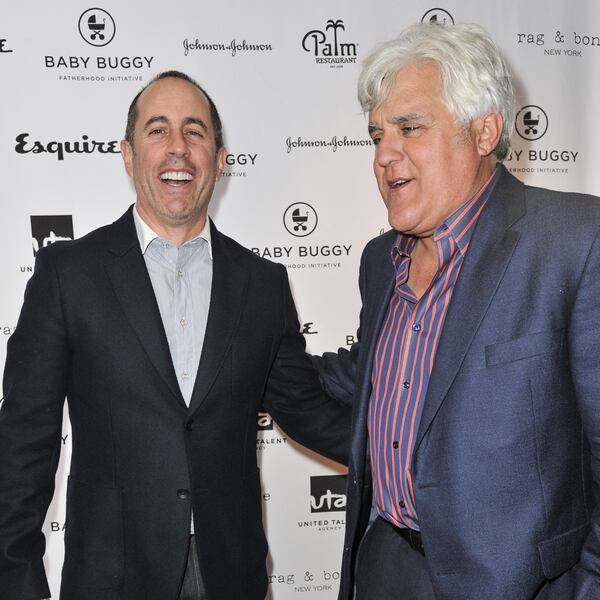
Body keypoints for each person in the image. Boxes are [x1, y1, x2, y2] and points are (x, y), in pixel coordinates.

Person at [0, 71, 350, 600]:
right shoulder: (68, 275)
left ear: (221, 156)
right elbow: (24, 447)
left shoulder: (262, 283)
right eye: (157, 131)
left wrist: (415, 455)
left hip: (230, 574)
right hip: (111, 578)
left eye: (195, 131)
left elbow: (309, 412)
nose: (178, 149)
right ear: (127, 153)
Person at [315, 22, 600, 599]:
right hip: (385, 568)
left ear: (485, 130)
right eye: (376, 135)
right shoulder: (379, 261)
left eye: (410, 128)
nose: (383, 154)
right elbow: (372, 385)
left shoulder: (575, 240)